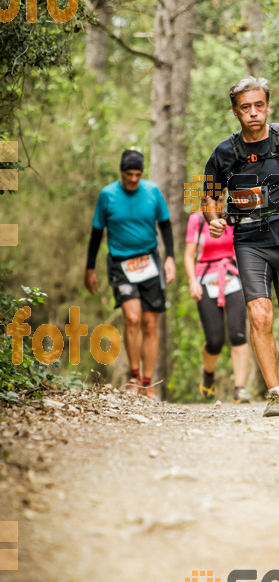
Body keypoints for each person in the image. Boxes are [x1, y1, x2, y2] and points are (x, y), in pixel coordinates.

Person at [201, 77, 279, 417]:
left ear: (268, 106)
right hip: (249, 242)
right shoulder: (224, 153)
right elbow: (210, 197)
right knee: (259, 315)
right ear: (235, 112)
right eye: (245, 108)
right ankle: (275, 394)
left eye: (259, 106)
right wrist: (213, 218)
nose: (253, 113)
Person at [84, 148, 175, 400]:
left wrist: (170, 259)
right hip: (121, 264)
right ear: (121, 172)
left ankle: (148, 382)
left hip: (149, 263)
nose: (133, 179)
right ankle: (134, 376)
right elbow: (95, 233)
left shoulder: (153, 192)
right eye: (128, 174)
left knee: (150, 324)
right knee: (132, 318)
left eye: (137, 174)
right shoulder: (107, 195)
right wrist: (89, 268)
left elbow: (166, 226)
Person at [184, 204, 251, 403]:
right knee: (215, 341)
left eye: (220, 197)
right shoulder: (196, 220)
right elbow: (189, 255)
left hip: (233, 277)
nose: (217, 202)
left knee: (238, 333)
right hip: (205, 279)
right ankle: (208, 373)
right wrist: (192, 281)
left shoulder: (234, 217)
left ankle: (240, 388)